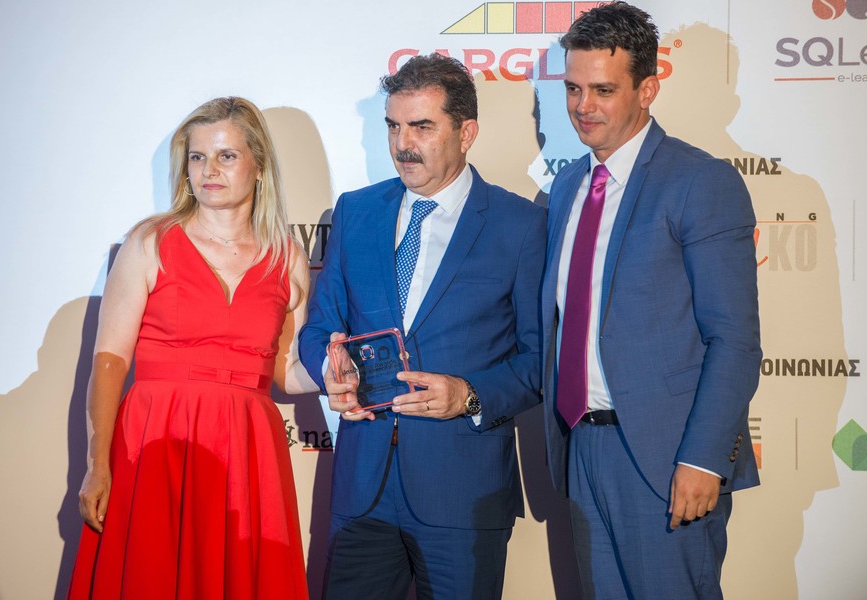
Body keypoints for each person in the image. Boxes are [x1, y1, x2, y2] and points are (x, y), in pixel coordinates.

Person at [298, 54, 545, 600]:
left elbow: (540, 360)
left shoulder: (521, 224)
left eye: (422, 126)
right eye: (393, 126)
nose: (402, 144)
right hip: (362, 489)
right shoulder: (356, 212)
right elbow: (319, 329)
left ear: (467, 132)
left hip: (463, 492)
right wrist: (329, 369)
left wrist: (469, 394)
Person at [540, 3, 762, 599]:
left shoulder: (700, 182)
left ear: (648, 89)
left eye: (603, 90)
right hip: (581, 446)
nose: (583, 106)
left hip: (668, 459)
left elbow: (734, 340)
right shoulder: (567, 185)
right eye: (573, 88)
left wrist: (704, 459)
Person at [67, 97, 315, 599]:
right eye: (197, 157)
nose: (208, 170)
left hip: (247, 449)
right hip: (157, 439)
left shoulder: (286, 256)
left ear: (259, 166)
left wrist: (340, 377)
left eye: (226, 156)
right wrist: (98, 462)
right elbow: (110, 361)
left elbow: (287, 371)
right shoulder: (150, 242)